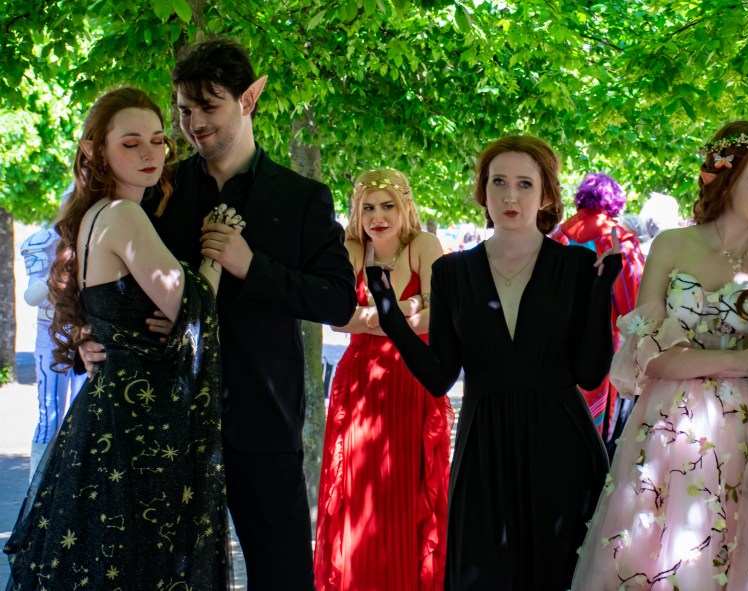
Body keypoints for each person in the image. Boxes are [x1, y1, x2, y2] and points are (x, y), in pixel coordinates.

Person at [77, 39, 358, 590]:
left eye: (208, 106)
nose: (193, 124)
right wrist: (89, 335)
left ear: (249, 99)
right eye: (184, 110)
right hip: (167, 424)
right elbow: (106, 271)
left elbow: (338, 301)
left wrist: (252, 267)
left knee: (283, 578)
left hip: (263, 422)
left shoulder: (303, 197)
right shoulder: (158, 187)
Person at [364, 135, 621, 590]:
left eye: (525, 184)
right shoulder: (451, 272)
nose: (510, 196)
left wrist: (602, 295)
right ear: (482, 191)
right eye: (498, 182)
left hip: (562, 448)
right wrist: (389, 314)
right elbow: (440, 377)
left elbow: (589, 374)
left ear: (546, 195)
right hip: (484, 447)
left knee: (561, 575)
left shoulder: (577, 267)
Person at [4, 87, 233, 589]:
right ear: (95, 151)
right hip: (136, 426)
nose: (150, 153)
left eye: (157, 140)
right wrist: (216, 255)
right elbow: (190, 304)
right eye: (131, 143)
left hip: (107, 415)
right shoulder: (124, 215)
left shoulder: (93, 215)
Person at [573, 121, 748, 591]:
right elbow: (651, 357)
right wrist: (747, 359)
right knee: (664, 560)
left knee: (747, 562)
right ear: (725, 180)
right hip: (673, 425)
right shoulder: (671, 245)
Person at [314, 168, 452, 591]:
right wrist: (404, 310)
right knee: (358, 494)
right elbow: (337, 319)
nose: (378, 217)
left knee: (408, 492)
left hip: (412, 378)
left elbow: (440, 316)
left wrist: (374, 318)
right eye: (368, 208)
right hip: (359, 387)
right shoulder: (352, 250)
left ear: (405, 206)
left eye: (388, 206)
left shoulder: (424, 245)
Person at [551, 172, 645, 454]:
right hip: (607, 339)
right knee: (602, 433)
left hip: (560, 340)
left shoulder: (558, 236)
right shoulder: (621, 240)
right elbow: (635, 302)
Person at [20, 221, 86, 480]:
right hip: (50, 333)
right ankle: (37, 488)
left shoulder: (97, 233)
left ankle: (75, 485)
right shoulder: (43, 242)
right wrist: (57, 274)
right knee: (50, 415)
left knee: (81, 414)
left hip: (86, 333)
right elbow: (31, 297)